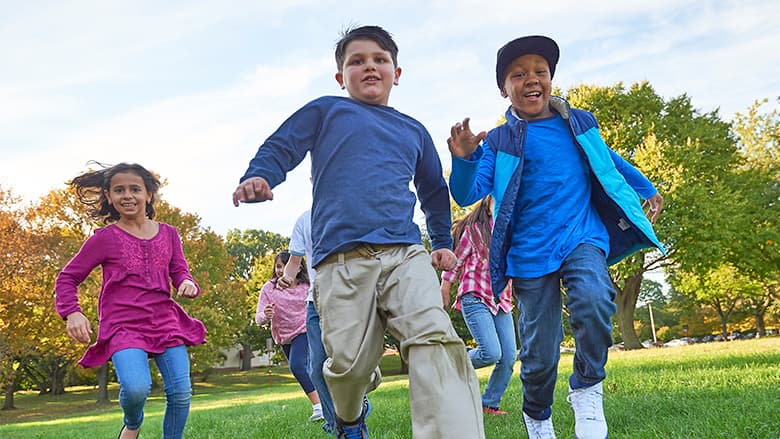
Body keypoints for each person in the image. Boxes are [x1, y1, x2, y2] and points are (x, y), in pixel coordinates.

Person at [233, 25, 484, 439]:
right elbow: (283, 145)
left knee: (437, 342)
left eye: (379, 59)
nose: (369, 66)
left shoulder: (413, 130)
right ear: (340, 77)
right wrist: (261, 175)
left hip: (405, 253)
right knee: (347, 366)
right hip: (340, 260)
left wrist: (439, 243)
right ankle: (350, 417)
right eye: (357, 61)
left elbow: (434, 192)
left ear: (397, 73)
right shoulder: (327, 111)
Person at [447, 35, 664, 439]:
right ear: (503, 89)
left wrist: (646, 186)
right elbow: (467, 193)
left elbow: (608, 160)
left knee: (595, 298)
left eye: (540, 72)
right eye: (518, 74)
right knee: (540, 351)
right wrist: (463, 159)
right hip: (529, 254)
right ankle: (538, 415)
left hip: (582, 237)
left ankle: (586, 389)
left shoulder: (579, 123)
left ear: (550, 79)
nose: (531, 79)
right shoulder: (499, 141)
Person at [54, 162, 206, 439]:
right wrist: (72, 313)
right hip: (123, 325)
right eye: (119, 190)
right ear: (109, 197)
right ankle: (132, 423)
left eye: (135, 189)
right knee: (136, 388)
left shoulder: (169, 233)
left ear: (149, 195)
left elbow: (180, 271)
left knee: (181, 392)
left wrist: (187, 282)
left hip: (165, 321)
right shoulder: (104, 238)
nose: (127, 195)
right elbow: (67, 278)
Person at [440, 195, 516, 417]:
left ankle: (488, 403)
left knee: (509, 357)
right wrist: (445, 286)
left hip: (501, 300)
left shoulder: (510, 232)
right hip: (475, 295)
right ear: (488, 205)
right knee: (491, 352)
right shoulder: (474, 230)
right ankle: (448, 364)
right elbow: (457, 260)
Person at [277, 209, 337, 434]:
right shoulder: (304, 220)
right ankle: (335, 423)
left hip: (348, 298)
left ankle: (356, 405)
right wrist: (287, 278)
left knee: (348, 362)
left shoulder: (349, 210)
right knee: (316, 368)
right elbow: (295, 260)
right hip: (315, 302)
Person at [255, 251, 323, 424]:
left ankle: (319, 407)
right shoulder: (269, 288)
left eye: (285, 266)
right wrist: (266, 314)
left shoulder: (307, 286)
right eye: (278, 266)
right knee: (306, 370)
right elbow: (259, 319)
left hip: (305, 329)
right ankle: (328, 402)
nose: (281, 271)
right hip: (284, 336)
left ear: (298, 267)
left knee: (297, 366)